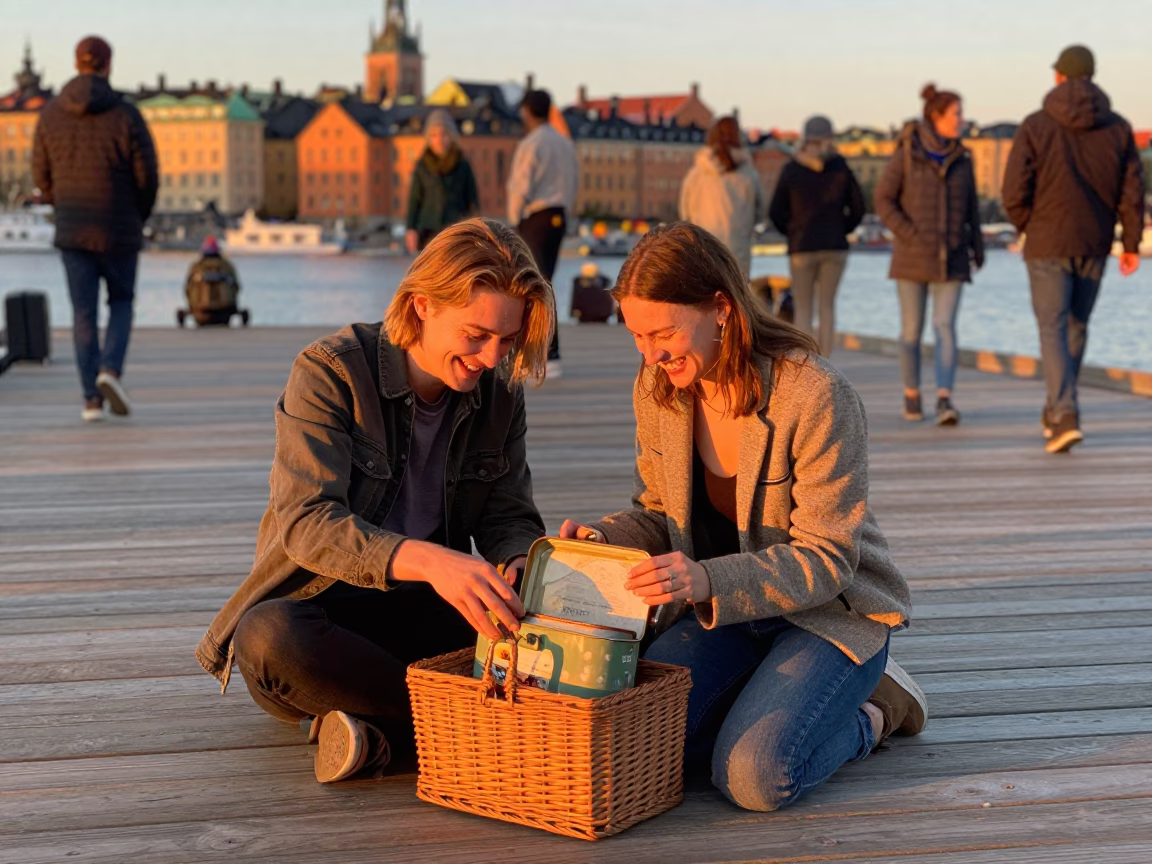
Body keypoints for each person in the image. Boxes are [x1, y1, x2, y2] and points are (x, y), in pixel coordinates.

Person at [559, 221, 927, 813]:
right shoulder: (658, 387)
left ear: (721, 310)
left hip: (826, 615)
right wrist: (603, 539)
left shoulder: (815, 394)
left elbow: (829, 558)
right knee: (640, 747)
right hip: (723, 616)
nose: (650, 355)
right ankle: (762, 697)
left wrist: (706, 579)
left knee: (755, 778)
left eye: (664, 333)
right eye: (636, 336)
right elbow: (656, 512)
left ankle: (879, 709)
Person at [195, 219, 554, 784]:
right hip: (324, 607)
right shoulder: (330, 371)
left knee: (550, 628)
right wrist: (430, 561)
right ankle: (472, 729)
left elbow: (507, 514)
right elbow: (307, 523)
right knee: (266, 636)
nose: (491, 357)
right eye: (476, 334)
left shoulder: (500, 393)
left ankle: (373, 732)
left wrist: (520, 565)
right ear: (421, 305)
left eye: (506, 340)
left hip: (422, 611)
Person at [1002, 45, 1145, 454]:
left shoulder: (1036, 124)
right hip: (1094, 240)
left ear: (1059, 76)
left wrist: (1026, 224)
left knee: (1053, 326)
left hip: (1046, 240)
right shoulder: (1118, 127)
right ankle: (1058, 409)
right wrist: (1130, 243)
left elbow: (1013, 189)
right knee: (1077, 326)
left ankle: (1064, 413)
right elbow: (1132, 190)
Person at [32, 35, 158, 422]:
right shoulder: (126, 114)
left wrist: (60, 203)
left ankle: (91, 400)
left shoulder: (50, 114)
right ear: (107, 65)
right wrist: (138, 215)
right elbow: (148, 175)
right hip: (119, 226)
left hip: (73, 229)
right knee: (120, 302)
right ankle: (110, 370)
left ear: (76, 64)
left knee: (83, 313)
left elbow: (40, 173)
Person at [874, 84, 983, 426]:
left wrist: (977, 248)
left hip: (952, 257)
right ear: (937, 117)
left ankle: (945, 399)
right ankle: (911, 394)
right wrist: (908, 234)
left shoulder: (963, 158)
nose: (962, 120)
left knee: (945, 327)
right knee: (911, 331)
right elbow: (883, 200)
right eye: (956, 114)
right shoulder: (908, 152)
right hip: (911, 257)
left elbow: (972, 208)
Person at [769, 115, 865, 356]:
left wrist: (792, 232)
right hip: (835, 246)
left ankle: (808, 363)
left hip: (802, 245)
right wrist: (842, 229)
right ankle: (827, 362)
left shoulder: (792, 169)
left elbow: (776, 211)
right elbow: (858, 207)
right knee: (827, 307)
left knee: (803, 308)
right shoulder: (840, 166)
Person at [507, 88, 578, 380]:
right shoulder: (565, 144)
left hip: (535, 217)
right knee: (544, 281)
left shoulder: (532, 144)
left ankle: (545, 353)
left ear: (526, 111)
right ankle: (547, 352)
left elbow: (520, 184)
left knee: (533, 285)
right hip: (558, 217)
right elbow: (573, 182)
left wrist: (514, 220)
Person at [679, 115, 765, 281]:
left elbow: (685, 212)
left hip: (703, 249)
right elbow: (760, 212)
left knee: (704, 293)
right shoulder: (748, 174)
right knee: (736, 294)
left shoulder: (696, 174)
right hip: (738, 252)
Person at [404, 109, 479, 255]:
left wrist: (475, 228)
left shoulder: (462, 165)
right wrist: (411, 229)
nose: (439, 140)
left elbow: (472, 200)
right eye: (434, 135)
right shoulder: (422, 166)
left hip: (456, 230)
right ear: (428, 138)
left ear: (451, 136)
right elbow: (414, 200)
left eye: (444, 134)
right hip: (428, 231)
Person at [181, 236, 247, 327]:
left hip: (200, 312)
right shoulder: (227, 266)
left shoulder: (196, 267)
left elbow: (187, 288)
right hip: (225, 311)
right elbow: (236, 287)